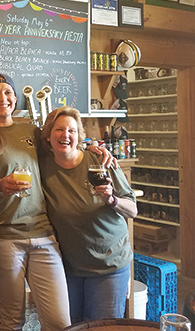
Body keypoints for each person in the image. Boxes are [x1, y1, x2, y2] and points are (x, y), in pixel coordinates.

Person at [0, 73, 71, 331]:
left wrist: (92, 149)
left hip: (43, 233)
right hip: (3, 236)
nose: (2, 98)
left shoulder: (30, 130)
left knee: (59, 322)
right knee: (12, 319)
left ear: (16, 98)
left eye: (7, 92)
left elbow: (63, 149)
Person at [39, 106, 137, 324]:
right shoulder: (42, 167)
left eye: (72, 131)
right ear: (48, 136)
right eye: (59, 130)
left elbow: (132, 209)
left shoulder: (99, 161)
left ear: (79, 137)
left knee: (103, 327)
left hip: (108, 265)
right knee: (71, 325)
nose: (66, 135)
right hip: (69, 267)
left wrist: (112, 200)